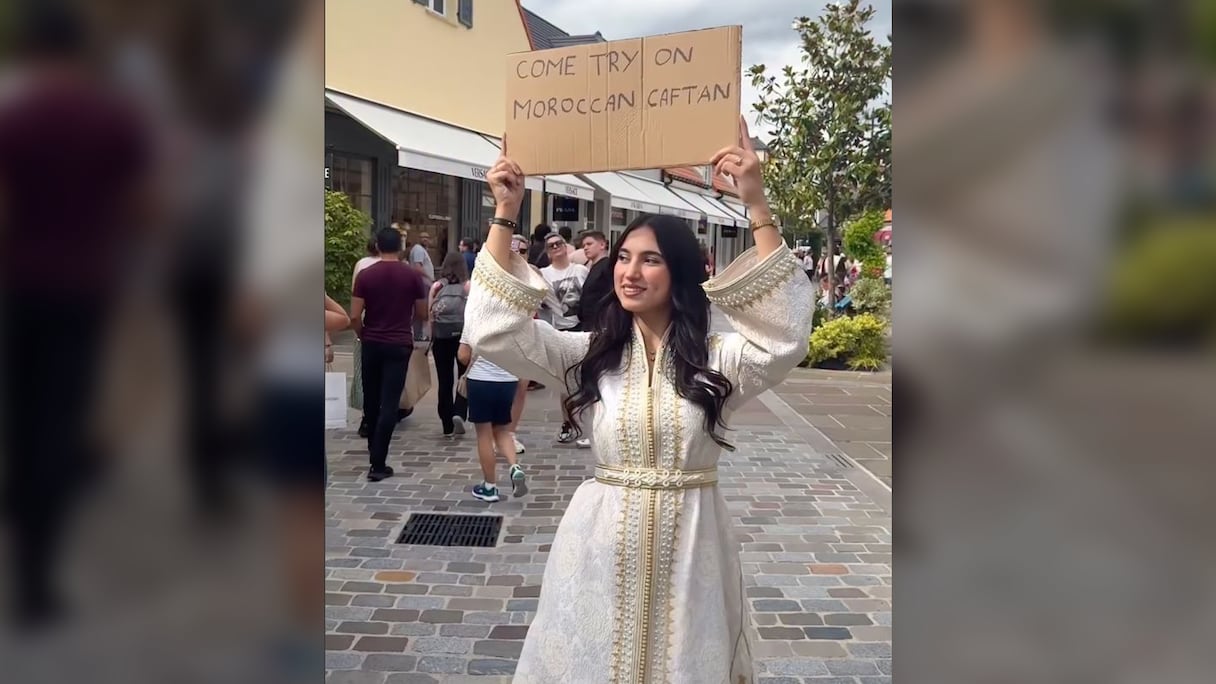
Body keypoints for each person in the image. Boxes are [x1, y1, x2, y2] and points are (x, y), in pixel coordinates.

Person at [466, 117, 813, 682]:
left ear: (678, 272)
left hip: (694, 544)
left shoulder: (718, 361)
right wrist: (505, 214)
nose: (630, 271)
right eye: (624, 257)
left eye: (649, 259)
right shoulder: (589, 355)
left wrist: (756, 204)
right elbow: (495, 332)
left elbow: (784, 336)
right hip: (601, 543)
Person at [350, 228, 428, 481]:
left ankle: (374, 451)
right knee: (390, 402)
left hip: (372, 341)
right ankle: (378, 462)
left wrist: (362, 333)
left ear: (377, 245)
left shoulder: (365, 275)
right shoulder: (412, 275)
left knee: (371, 400)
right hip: (398, 343)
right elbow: (422, 312)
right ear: (401, 247)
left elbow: (354, 315)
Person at [456, 341, 527, 502]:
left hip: (481, 378)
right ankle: (514, 467)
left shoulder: (476, 319)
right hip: (508, 380)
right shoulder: (515, 318)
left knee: (484, 434)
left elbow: (463, 355)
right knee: (503, 430)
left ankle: (489, 486)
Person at [538, 231, 590, 445]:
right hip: (562, 331)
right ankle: (568, 423)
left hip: (583, 328)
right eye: (551, 245)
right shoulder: (544, 274)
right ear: (548, 252)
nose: (556, 247)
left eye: (559, 243)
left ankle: (588, 425)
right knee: (566, 382)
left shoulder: (580, 270)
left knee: (587, 379)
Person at [428, 253, 470, 438]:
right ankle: (459, 413)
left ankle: (446, 423)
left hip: (441, 337)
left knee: (444, 380)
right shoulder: (468, 287)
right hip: (463, 337)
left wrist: (431, 338)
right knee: (464, 377)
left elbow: (430, 316)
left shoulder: (436, 287)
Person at [351, 237, 380, 437]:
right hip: (390, 327)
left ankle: (366, 417)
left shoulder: (362, 264)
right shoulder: (397, 265)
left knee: (364, 373)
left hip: (365, 323)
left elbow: (355, 294)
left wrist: (359, 330)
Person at [576, 230, 612, 332]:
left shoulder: (607, 266)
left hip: (600, 324)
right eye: (584, 246)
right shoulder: (594, 267)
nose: (586, 248)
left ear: (602, 245)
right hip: (590, 324)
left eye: (589, 244)